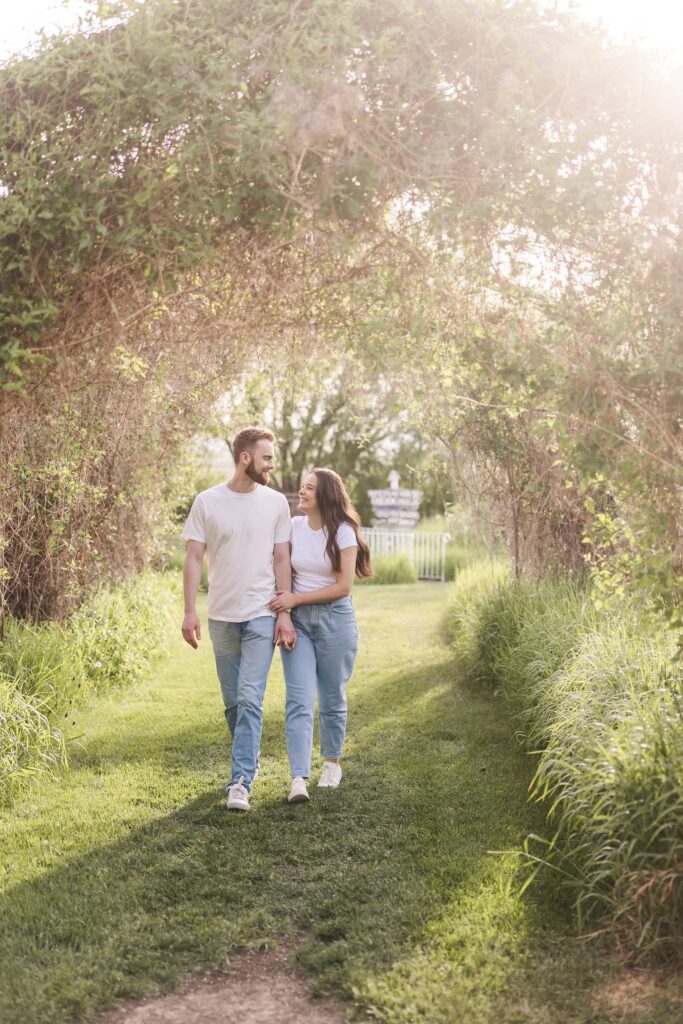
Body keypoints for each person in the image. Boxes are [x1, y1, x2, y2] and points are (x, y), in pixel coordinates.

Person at [180, 427, 296, 813]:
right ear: (245, 458)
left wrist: (284, 613)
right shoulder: (208, 502)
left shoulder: (277, 503)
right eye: (266, 458)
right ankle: (249, 758)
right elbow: (194, 557)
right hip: (221, 617)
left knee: (250, 698)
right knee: (233, 703)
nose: (271, 465)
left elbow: (282, 559)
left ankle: (240, 781)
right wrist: (189, 611)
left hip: (261, 614)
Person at [270, 468, 373, 804]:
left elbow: (344, 586)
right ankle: (298, 778)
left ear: (325, 495)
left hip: (335, 620)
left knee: (331, 698)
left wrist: (294, 599)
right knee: (299, 700)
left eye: (309, 488)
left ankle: (331, 764)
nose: (301, 492)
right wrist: (286, 610)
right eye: (302, 486)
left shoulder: (342, 531)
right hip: (297, 623)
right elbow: (281, 566)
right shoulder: (293, 527)